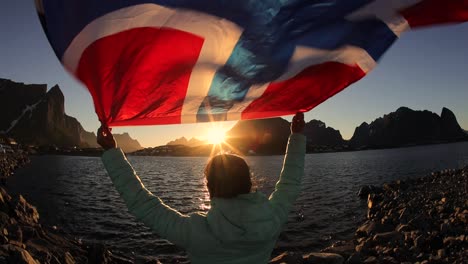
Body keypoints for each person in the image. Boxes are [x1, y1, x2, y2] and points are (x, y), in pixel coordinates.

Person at [97, 112, 306, 264]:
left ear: (210, 186)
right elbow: (290, 181)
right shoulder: (272, 218)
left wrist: (112, 151)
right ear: (248, 182)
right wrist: (296, 136)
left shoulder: (196, 233)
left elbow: (143, 204)